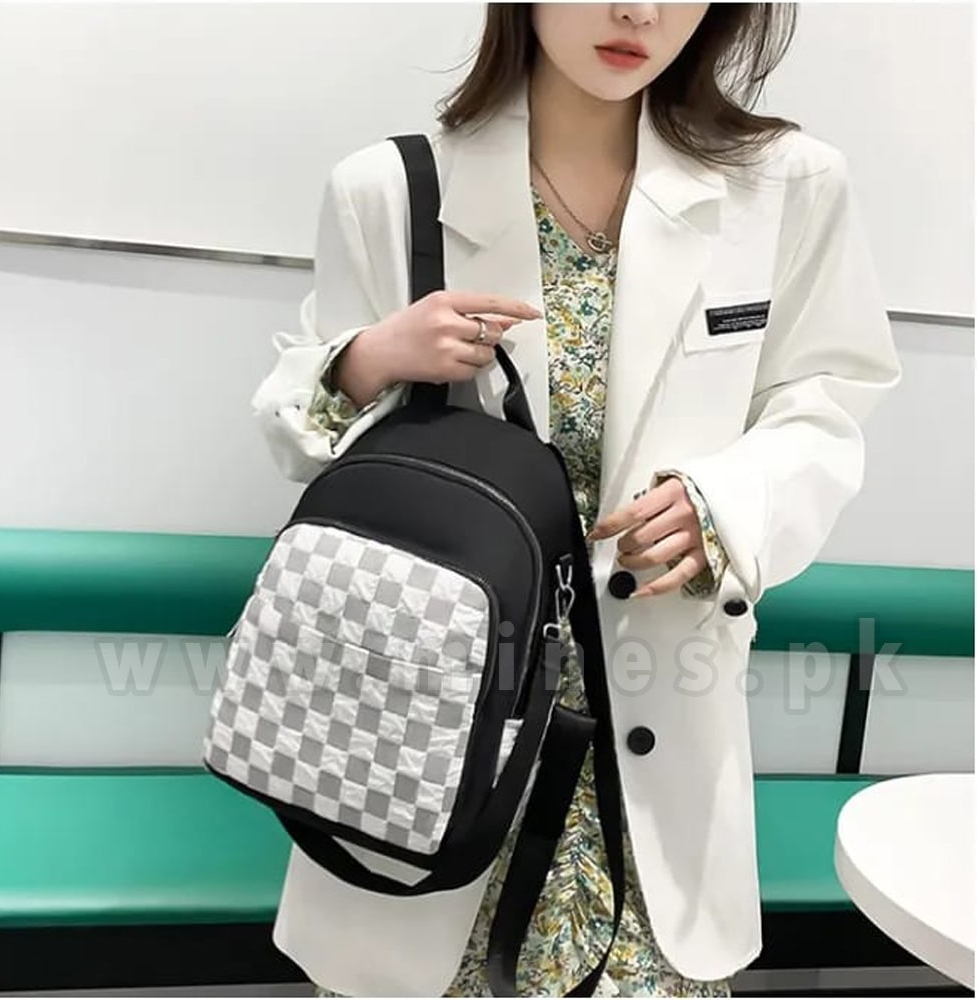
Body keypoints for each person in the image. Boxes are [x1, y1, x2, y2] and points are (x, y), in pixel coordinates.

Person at [252, 4, 902, 996]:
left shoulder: (788, 187)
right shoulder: (386, 190)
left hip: (653, 737)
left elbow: (827, 403)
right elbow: (323, 465)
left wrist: (728, 504)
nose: (639, 11)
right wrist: (367, 359)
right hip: (432, 737)